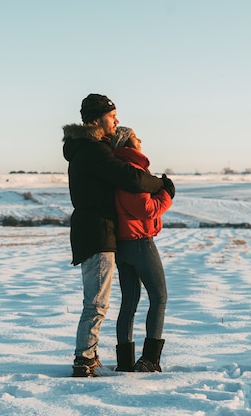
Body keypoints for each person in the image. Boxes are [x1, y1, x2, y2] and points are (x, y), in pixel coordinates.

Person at [62, 94, 175, 377]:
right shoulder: (93, 151)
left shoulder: (89, 149)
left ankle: (95, 356)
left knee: (118, 302)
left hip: (101, 233)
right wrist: (163, 186)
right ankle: (84, 359)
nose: (117, 120)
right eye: (113, 116)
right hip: (99, 233)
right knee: (98, 303)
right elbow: (133, 180)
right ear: (98, 119)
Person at [110, 126, 173, 372]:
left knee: (129, 303)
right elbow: (146, 209)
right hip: (140, 242)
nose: (141, 139)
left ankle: (125, 362)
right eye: (136, 136)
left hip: (123, 245)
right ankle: (149, 359)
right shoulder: (131, 172)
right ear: (127, 144)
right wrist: (167, 194)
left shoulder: (118, 172)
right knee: (159, 297)